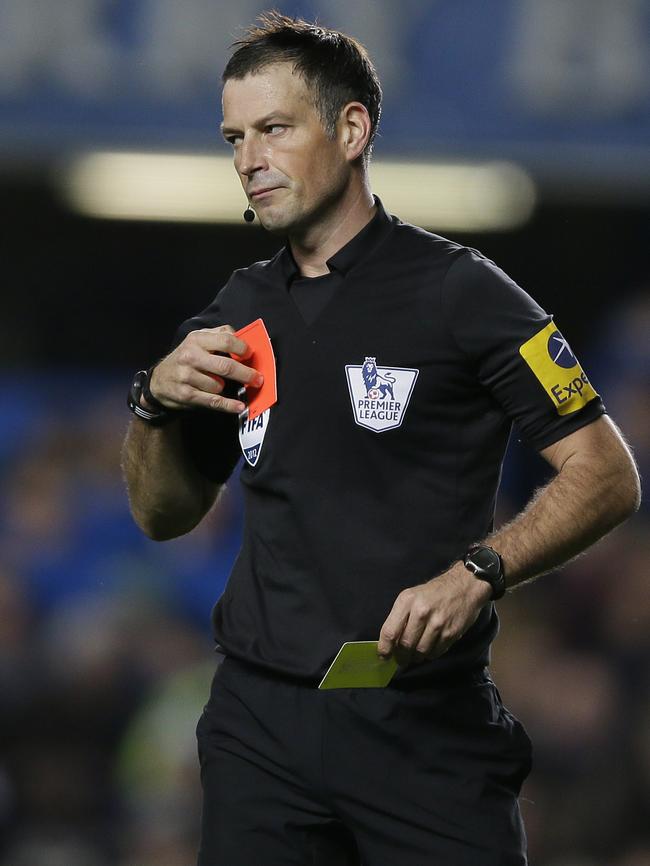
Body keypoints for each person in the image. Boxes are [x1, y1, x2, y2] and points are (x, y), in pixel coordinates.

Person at [122, 12, 641, 866]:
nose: (250, 159)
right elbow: (162, 515)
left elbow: (608, 471)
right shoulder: (237, 308)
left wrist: (483, 571)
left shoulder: (462, 293)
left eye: (276, 129)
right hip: (261, 724)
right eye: (235, 137)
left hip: (421, 722)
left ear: (352, 128)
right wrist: (152, 405)